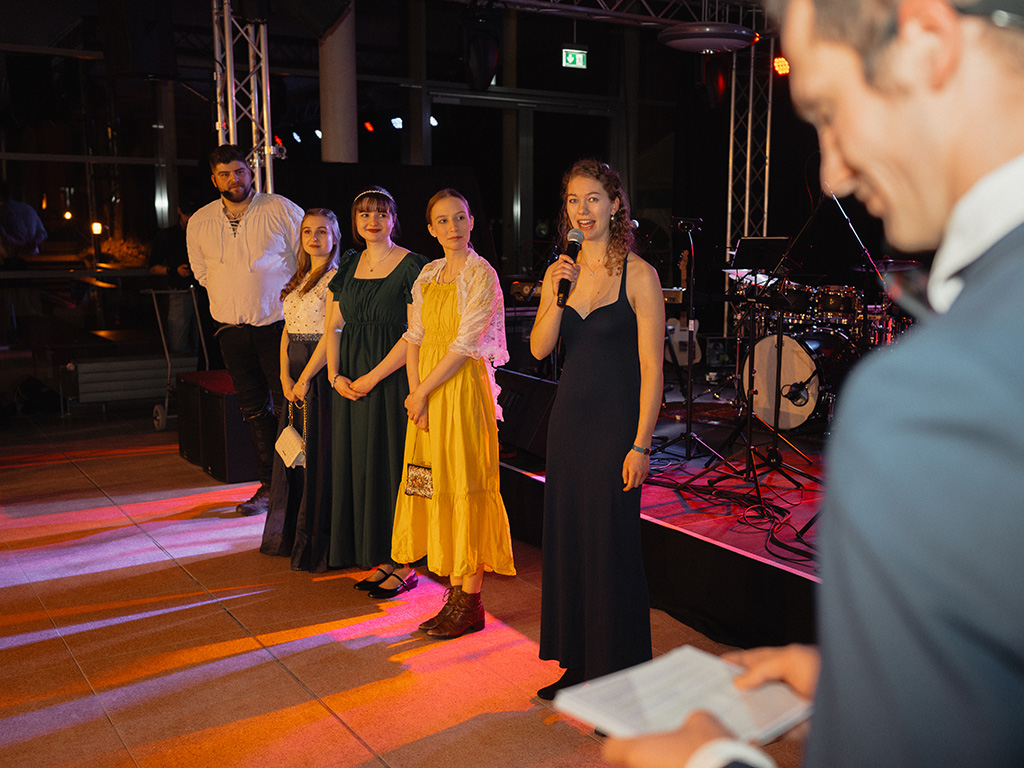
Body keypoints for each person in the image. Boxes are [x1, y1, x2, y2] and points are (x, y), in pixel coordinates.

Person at [603, 1, 1024, 766]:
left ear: (928, 44)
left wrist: (711, 762)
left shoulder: (935, 399)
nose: (831, 171)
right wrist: (863, 686)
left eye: (829, 111)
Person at [530, 159, 665, 699]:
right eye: (573, 200)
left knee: (612, 547)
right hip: (568, 427)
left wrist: (641, 444)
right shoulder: (559, 272)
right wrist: (554, 293)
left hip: (615, 429)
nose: (582, 210)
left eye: (592, 199)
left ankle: (621, 676)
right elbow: (539, 348)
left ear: (614, 205)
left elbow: (653, 368)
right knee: (569, 542)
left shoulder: (640, 275)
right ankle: (578, 661)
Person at [390, 188, 515, 638]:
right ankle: (455, 594)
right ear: (430, 228)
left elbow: (465, 345)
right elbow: (415, 335)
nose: (453, 227)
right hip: (426, 394)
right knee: (430, 482)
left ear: (471, 221)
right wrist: (415, 394)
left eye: (459, 217)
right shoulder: (428, 273)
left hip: (459, 390)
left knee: (465, 484)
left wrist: (422, 392)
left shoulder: (481, 274)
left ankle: (470, 601)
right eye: (442, 220)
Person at [187, 145, 303, 516]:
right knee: (253, 410)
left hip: (277, 327)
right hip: (231, 331)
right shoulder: (200, 220)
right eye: (225, 174)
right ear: (214, 179)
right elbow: (201, 273)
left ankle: (299, 487)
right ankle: (269, 486)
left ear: (250, 172)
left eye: (239, 172)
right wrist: (233, 296)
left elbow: (307, 258)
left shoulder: (280, 208)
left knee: (289, 406)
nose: (233, 180)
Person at [324, 187, 428, 595]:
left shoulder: (413, 265)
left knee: (394, 465)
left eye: (381, 213)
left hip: (392, 379)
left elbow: (415, 333)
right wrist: (335, 375)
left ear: (393, 220)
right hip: (350, 382)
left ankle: (406, 561)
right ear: (354, 222)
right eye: (365, 214)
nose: (373, 221)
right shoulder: (348, 265)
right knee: (363, 464)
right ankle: (381, 556)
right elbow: (333, 326)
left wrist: (373, 377)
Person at [260, 208, 340, 571]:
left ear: (334, 237)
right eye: (308, 231)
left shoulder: (335, 279)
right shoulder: (299, 278)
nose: (314, 238)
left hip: (317, 371)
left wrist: (305, 378)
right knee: (294, 454)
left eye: (322, 231)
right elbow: (287, 331)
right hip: (294, 370)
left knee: (315, 454)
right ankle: (292, 534)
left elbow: (331, 335)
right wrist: (284, 377)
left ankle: (316, 540)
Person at [149, 200, 204, 356]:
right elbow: (153, 267)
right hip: (181, 289)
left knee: (200, 339)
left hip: (201, 289)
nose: (190, 218)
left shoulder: (202, 233)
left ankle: (195, 363)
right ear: (179, 211)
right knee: (180, 341)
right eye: (187, 214)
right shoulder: (168, 235)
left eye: (193, 214)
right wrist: (174, 270)